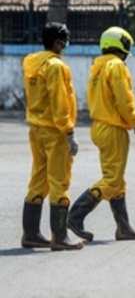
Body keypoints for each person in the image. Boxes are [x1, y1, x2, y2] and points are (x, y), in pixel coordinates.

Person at [68, 26, 135, 242]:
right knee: (112, 180)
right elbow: (124, 99)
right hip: (114, 128)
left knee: (116, 180)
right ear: (122, 46)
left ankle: (123, 228)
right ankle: (76, 216)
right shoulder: (117, 66)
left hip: (99, 126)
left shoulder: (97, 66)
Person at [21, 22, 83, 251]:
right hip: (55, 131)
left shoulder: (30, 62)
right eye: (64, 41)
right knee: (59, 181)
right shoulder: (56, 67)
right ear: (58, 42)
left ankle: (31, 233)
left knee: (38, 178)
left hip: (35, 128)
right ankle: (60, 236)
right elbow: (60, 103)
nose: (65, 46)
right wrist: (69, 133)